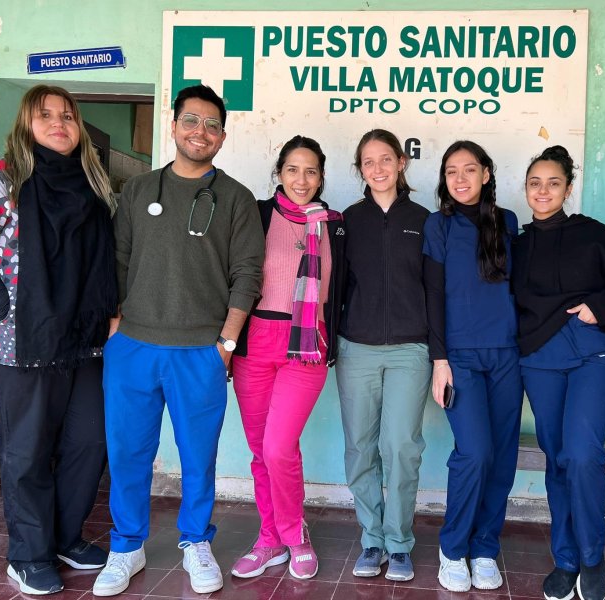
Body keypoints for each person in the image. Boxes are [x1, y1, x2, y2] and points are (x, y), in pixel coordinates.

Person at [92, 85, 264, 597]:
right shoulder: (138, 191)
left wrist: (227, 344)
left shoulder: (235, 198)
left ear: (223, 136)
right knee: (127, 452)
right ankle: (126, 546)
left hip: (201, 351)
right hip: (134, 347)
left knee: (198, 455)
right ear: (173, 125)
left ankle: (195, 542)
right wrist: (115, 323)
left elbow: (247, 274)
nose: (201, 132)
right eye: (191, 120)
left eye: (212, 125)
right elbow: (117, 260)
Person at [0, 84, 116, 595]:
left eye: (68, 116)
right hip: (17, 341)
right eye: (46, 115)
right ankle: (28, 553)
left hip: (83, 339)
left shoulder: (93, 184)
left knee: (89, 443)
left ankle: (65, 537)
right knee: (26, 451)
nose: (59, 123)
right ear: (26, 122)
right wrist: (4, 308)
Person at [510, 146, 605, 600]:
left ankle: (592, 555)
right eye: (535, 183)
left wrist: (598, 308)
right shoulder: (519, 243)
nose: (542, 191)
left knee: (584, 454)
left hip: (594, 357)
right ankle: (565, 559)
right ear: (525, 188)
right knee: (558, 458)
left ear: (568, 188)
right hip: (540, 361)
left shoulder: (594, 235)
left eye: (552, 183)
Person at [229, 135, 344, 582]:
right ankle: (269, 538)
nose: (302, 179)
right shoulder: (255, 215)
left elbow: (346, 289)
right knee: (261, 451)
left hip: (306, 345)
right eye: (293, 169)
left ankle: (296, 535)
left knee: (279, 447)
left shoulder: (334, 225)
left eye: (311, 170)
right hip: (257, 339)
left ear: (321, 176)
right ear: (279, 172)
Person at [423, 140, 523, 593]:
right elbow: (433, 295)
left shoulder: (508, 222)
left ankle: (484, 548)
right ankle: (452, 548)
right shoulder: (437, 225)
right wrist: (439, 360)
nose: (460, 179)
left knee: (502, 457)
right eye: (450, 172)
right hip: (460, 356)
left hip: (506, 355)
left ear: (486, 173)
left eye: (469, 169)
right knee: (475, 453)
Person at [335, 129, 431, 582]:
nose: (378, 168)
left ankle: (399, 541)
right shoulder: (349, 220)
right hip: (357, 348)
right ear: (360, 169)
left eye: (385, 159)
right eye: (368, 162)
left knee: (402, 447)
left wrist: (440, 351)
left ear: (401, 163)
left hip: (411, 349)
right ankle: (371, 539)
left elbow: (436, 289)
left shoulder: (424, 219)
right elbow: (335, 285)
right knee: (360, 448)